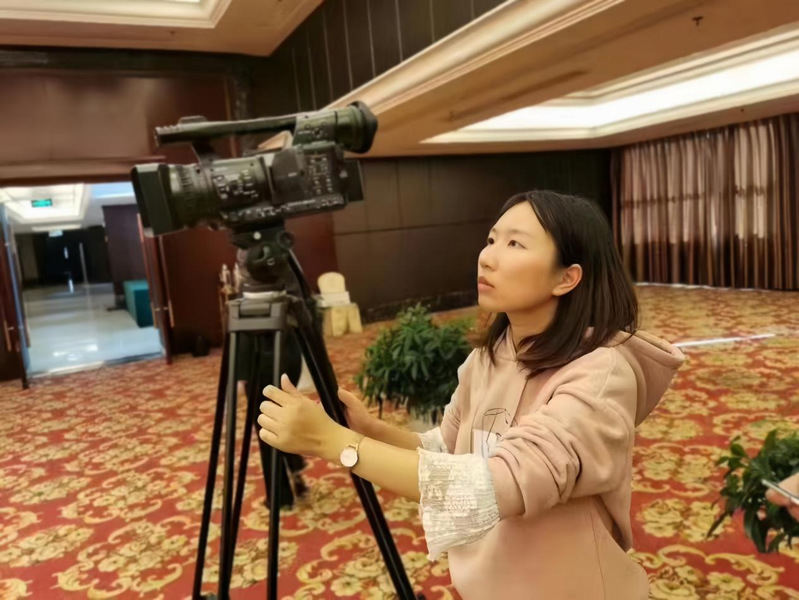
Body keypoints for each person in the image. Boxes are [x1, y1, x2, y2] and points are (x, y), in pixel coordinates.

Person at [257, 190, 685, 599]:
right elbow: (451, 449)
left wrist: (335, 444)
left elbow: (494, 485)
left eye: (515, 244)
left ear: (567, 277)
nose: (487, 256)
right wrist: (370, 431)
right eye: (492, 239)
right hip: (490, 583)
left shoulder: (600, 373)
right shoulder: (489, 356)